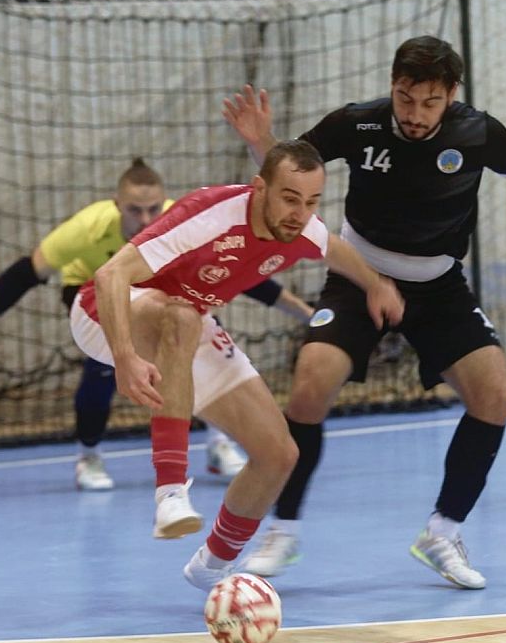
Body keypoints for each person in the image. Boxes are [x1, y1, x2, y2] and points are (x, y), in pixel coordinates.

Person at [221, 35, 506, 589]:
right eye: (405, 98)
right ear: (393, 86)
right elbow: (289, 172)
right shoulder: (356, 124)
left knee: (495, 394)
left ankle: (442, 531)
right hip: (360, 276)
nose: (414, 113)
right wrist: (260, 139)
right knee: (311, 383)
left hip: (438, 286)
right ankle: (283, 530)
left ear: (450, 94)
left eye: (428, 102)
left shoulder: (477, 133)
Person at [69, 139, 403, 591]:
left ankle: (210, 569)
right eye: (289, 198)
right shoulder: (210, 214)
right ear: (259, 188)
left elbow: (336, 249)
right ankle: (170, 494)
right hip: (104, 312)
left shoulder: (301, 228)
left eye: (311, 202)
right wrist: (125, 358)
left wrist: (374, 284)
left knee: (279, 455)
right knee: (183, 317)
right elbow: (110, 276)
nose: (299, 213)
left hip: (183, 319)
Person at [0, 158, 313, 489]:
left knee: (199, 333)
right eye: (134, 211)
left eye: (153, 209)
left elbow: (253, 277)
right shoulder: (88, 227)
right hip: (91, 292)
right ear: (116, 205)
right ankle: (88, 455)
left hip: (160, 294)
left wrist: (306, 316)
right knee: (104, 366)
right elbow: (22, 276)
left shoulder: (183, 219)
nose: (145, 218)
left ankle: (216, 441)